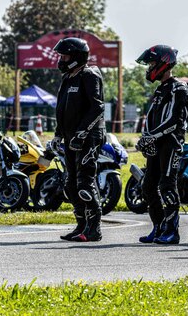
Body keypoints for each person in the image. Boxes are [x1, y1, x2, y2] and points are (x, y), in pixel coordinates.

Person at [135, 45, 188, 245]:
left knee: (167, 186)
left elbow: (174, 121)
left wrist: (153, 136)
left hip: (171, 144)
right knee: (148, 186)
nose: (149, 68)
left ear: (163, 63)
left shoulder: (179, 88)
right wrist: (145, 138)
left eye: (151, 63)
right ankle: (158, 226)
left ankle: (171, 231)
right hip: (157, 144)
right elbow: (151, 119)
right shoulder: (160, 89)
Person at [51, 37, 106, 242]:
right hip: (70, 138)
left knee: (85, 183)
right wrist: (58, 134)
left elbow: (97, 107)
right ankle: (81, 225)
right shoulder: (68, 78)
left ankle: (94, 228)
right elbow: (62, 110)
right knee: (70, 185)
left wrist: (82, 133)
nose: (61, 60)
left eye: (65, 56)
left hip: (88, 138)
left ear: (76, 57)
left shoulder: (89, 74)